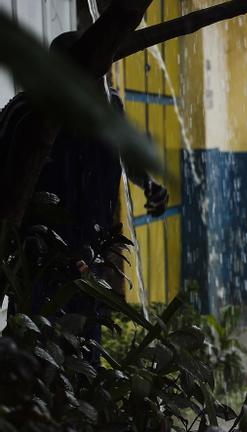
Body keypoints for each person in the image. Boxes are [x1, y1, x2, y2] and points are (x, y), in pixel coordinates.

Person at [1, 31, 167, 328]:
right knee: (37, 341)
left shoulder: (107, 108)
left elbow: (127, 150)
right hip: (38, 258)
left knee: (85, 345)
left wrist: (148, 184)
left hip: (91, 252)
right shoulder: (26, 113)